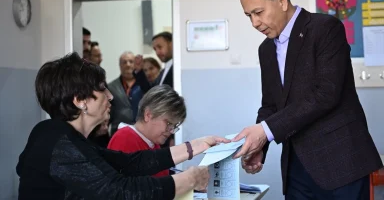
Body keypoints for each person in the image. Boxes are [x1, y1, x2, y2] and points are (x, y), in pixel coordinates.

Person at [232, 0, 383, 199]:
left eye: (258, 12)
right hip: (296, 168)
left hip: (341, 164)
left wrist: (264, 131)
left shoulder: (326, 29)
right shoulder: (265, 50)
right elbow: (271, 105)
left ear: (282, 1)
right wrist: (259, 147)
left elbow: (326, 94)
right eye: (248, 16)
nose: (254, 23)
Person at [16, 52, 230, 200]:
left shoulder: (65, 138)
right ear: (80, 100)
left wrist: (195, 146)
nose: (110, 96)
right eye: (102, 89)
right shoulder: (58, 144)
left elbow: (129, 163)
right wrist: (190, 179)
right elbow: (121, 192)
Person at [108, 84, 186, 177]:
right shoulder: (125, 139)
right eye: (169, 123)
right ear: (148, 115)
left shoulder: (153, 143)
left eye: (174, 126)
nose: (171, 131)